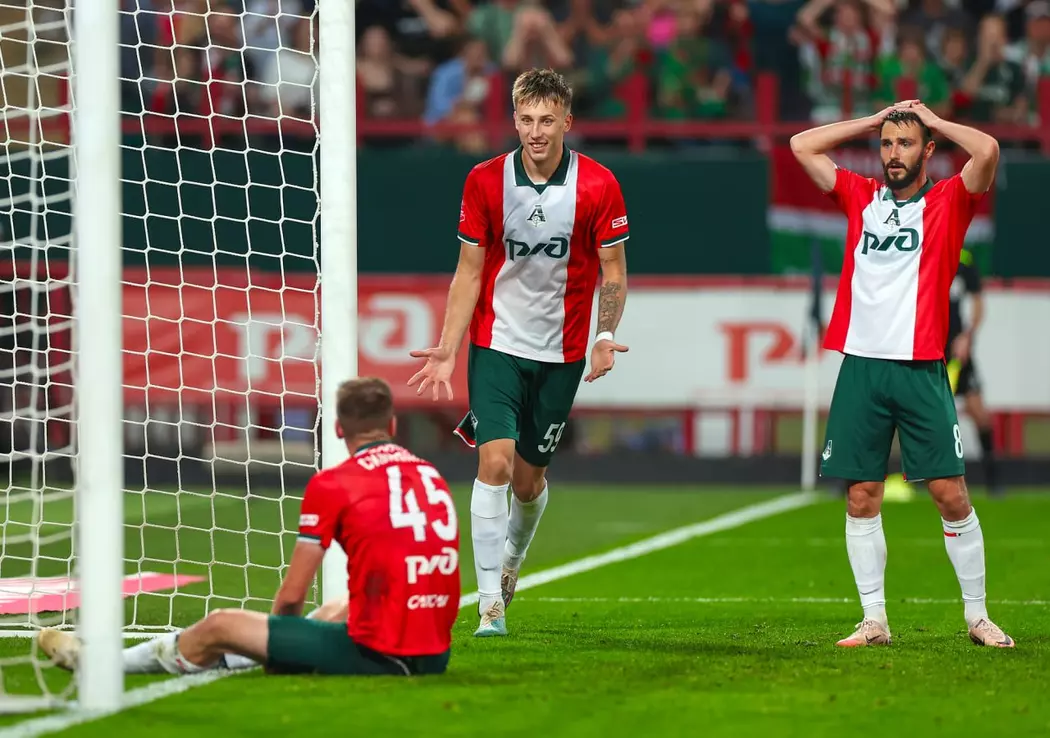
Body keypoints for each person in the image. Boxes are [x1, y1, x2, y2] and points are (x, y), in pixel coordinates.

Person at [407, 68, 630, 638]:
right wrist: (448, 347)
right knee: (496, 464)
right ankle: (489, 605)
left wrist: (603, 336)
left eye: (547, 120)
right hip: (497, 344)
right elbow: (468, 271)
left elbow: (613, 271)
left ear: (567, 122)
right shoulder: (485, 180)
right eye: (526, 119)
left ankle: (511, 562)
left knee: (528, 484)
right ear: (513, 119)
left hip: (562, 353)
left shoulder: (599, 185)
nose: (536, 131)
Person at [39, 377, 460, 676]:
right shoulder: (431, 475)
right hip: (434, 650)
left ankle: (103, 665)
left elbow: (292, 596)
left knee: (222, 623)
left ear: (337, 429)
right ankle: (240, 655)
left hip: (382, 654)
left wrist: (281, 644)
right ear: (392, 425)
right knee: (336, 608)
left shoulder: (334, 483)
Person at [790, 101, 1014, 648]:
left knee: (950, 494)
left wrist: (933, 120)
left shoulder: (949, 201)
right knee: (861, 495)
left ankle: (978, 616)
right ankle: (874, 621)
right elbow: (801, 145)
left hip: (920, 368)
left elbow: (987, 150)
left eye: (906, 144)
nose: (894, 153)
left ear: (928, 151)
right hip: (862, 367)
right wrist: (872, 122)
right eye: (887, 144)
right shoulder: (860, 195)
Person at [946, 248, 1001, 496]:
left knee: (979, 413)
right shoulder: (922, 251)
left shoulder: (963, 259)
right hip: (927, 349)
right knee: (909, 414)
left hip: (957, 352)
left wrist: (967, 337)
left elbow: (978, 302)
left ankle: (993, 480)